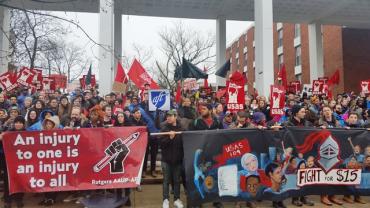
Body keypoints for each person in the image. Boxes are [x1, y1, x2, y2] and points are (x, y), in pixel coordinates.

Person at [190, 103, 223, 208]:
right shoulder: (195, 122)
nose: (201, 111)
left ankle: (216, 200)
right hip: (201, 154)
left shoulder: (217, 122)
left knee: (215, 176)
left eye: (204, 109)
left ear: (210, 110)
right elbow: (190, 136)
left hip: (214, 153)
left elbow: (224, 135)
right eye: (200, 109)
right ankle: (199, 200)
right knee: (200, 176)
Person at [159, 110, 184, 208]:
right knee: (166, 181)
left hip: (177, 160)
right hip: (166, 160)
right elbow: (161, 144)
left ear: (175, 116)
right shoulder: (164, 128)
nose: (168, 118)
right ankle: (165, 200)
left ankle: (177, 199)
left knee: (177, 180)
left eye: (170, 116)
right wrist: (170, 138)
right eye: (167, 116)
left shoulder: (181, 128)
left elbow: (184, 143)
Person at [0, 116, 25, 208]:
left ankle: (19, 198)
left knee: (20, 180)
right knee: (8, 181)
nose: (18, 124)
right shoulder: (8, 133)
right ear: (14, 123)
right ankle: (8, 200)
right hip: (8, 162)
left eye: (20, 122)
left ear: (23, 124)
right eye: (16, 122)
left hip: (22, 162)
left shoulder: (28, 133)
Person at [39, 115, 60, 206]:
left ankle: (52, 198)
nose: (48, 125)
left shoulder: (59, 134)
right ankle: (46, 197)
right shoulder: (41, 133)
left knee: (54, 180)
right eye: (47, 124)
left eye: (50, 124)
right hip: (44, 161)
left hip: (55, 161)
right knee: (45, 179)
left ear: (53, 125)